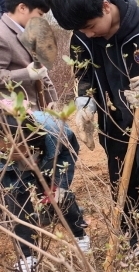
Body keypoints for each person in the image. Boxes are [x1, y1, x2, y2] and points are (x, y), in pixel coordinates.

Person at [44, 0, 139, 262]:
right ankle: (132, 230)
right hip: (113, 120)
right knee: (121, 175)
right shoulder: (82, 34)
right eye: (82, 30)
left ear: (106, 7)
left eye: (91, 27)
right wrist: (85, 102)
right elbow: (82, 72)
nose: (89, 34)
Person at [0, 109, 90, 270]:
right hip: (13, 172)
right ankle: (27, 255)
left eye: (12, 149)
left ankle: (79, 235)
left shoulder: (53, 131)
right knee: (17, 207)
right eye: (4, 149)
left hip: (47, 160)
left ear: (26, 141)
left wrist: (61, 182)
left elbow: (69, 151)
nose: (6, 153)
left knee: (60, 197)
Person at [0, 0, 56, 110]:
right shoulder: (2, 35)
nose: (41, 19)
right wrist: (27, 74)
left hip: (35, 111)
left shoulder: (30, 31)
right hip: (13, 117)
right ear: (22, 8)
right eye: (40, 14)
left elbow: (41, 71)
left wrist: (52, 100)